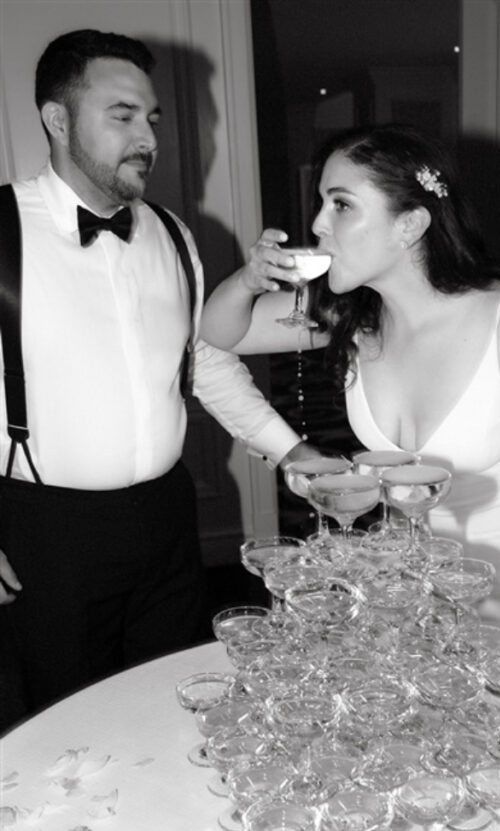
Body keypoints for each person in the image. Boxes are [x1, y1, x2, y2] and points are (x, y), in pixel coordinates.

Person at [200, 123, 500, 633]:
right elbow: (224, 330)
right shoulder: (352, 319)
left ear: (409, 225)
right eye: (322, 203)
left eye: (340, 205)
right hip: (414, 577)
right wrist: (247, 280)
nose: (317, 224)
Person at [0, 29, 314, 721]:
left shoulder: (172, 233)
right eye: (122, 115)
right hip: (46, 535)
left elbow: (202, 360)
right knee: (65, 721)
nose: (147, 135)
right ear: (57, 120)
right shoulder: (1, 229)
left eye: (152, 118)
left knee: (174, 704)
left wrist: (289, 449)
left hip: (168, 524)